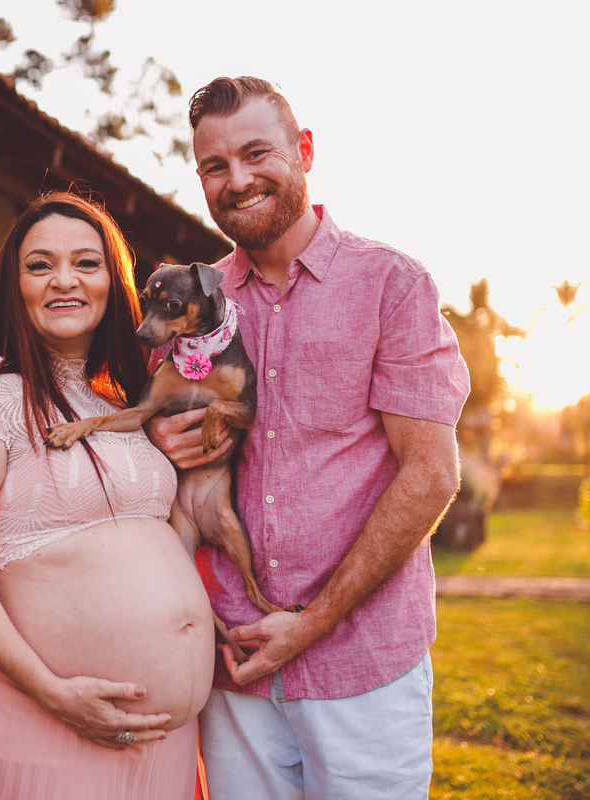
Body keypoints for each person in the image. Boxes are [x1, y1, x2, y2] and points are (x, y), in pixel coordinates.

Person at [146, 77, 471, 799]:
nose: (237, 180)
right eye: (214, 166)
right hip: (233, 671)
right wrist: (165, 444)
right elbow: (160, 451)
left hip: (363, 671)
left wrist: (314, 621)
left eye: (257, 153)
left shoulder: (392, 285)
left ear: (305, 151)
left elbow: (431, 476)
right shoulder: (194, 301)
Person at [0, 192, 216, 799]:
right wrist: (52, 690)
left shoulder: (125, 403)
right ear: (14, 285)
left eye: (86, 263)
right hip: (39, 724)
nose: (64, 280)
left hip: (165, 749)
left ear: (114, 282)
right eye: (40, 265)